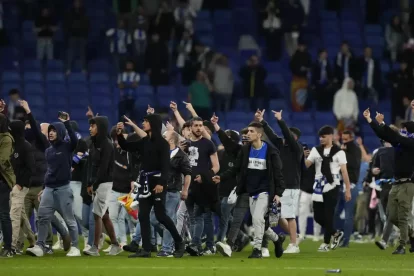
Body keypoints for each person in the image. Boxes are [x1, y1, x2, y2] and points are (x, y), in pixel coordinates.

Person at [116, 114, 186, 258]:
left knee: (161, 216)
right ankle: (146, 249)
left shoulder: (163, 144)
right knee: (142, 215)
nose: (143, 123)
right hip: (145, 183)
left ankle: (179, 242)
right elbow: (126, 146)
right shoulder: (145, 141)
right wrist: (119, 135)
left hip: (158, 182)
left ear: (153, 123)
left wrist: (161, 183)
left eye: (146, 121)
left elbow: (166, 166)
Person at [213, 122, 285, 259]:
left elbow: (278, 173)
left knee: (257, 219)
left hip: (265, 191)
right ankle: (276, 239)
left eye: (251, 131)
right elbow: (236, 168)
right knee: (260, 223)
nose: (247, 134)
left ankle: (257, 249)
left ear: (259, 134)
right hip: (249, 191)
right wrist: (221, 177)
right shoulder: (245, 150)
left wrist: (278, 193)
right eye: (247, 132)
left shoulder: (270, 151)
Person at [26, 112, 80, 257]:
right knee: (42, 217)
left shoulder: (67, 147)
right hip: (49, 188)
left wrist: (67, 123)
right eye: (49, 131)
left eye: (54, 131)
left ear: (60, 132)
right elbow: (50, 171)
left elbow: (75, 141)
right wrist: (44, 188)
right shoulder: (48, 150)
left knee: (69, 219)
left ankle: (75, 247)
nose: (50, 133)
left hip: (63, 188)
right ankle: (40, 245)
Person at [363, 107, 414, 254]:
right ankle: (411, 233)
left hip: (407, 184)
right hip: (396, 183)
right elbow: (384, 135)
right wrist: (371, 120)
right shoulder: (401, 143)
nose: (401, 130)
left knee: (403, 216)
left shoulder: (411, 143)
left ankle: (402, 246)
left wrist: (384, 123)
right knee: (391, 216)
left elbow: (396, 137)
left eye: (404, 129)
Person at [256, 109, 303, 253]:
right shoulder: (281, 146)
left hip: (291, 186)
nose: (284, 137)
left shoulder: (297, 148)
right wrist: (261, 121)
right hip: (280, 186)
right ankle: (296, 236)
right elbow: (272, 134)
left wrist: (280, 120)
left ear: (294, 138)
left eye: (289, 135)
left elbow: (286, 135)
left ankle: (294, 244)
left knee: (289, 215)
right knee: (277, 215)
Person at [305, 125, 352, 252]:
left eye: (324, 137)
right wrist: (302, 157)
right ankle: (335, 233)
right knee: (318, 217)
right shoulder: (315, 150)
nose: (321, 139)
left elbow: (344, 172)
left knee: (328, 215)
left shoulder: (339, 152)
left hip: (333, 185)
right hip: (318, 186)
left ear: (331, 136)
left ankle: (325, 243)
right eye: (320, 137)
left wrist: (347, 189)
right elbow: (307, 165)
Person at [83, 116, 121, 256]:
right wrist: (89, 183)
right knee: (104, 215)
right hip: (96, 182)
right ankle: (115, 244)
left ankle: (95, 247)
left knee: (97, 214)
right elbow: (90, 166)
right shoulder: (93, 144)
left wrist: (95, 184)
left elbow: (104, 168)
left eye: (93, 126)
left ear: (100, 127)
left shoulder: (107, 144)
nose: (90, 129)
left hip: (104, 182)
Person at [151, 130, 192, 257]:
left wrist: (185, 189)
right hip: (158, 190)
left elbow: (188, 174)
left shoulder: (181, 155)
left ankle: (167, 248)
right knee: (153, 219)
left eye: (164, 136)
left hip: (172, 191)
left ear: (171, 140)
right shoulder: (159, 154)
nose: (162, 138)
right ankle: (176, 239)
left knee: (168, 217)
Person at [184, 117, 220, 256]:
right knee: (192, 218)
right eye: (196, 126)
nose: (199, 128)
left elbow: (216, 167)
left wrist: (204, 177)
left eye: (201, 126)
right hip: (187, 185)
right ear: (191, 128)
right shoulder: (184, 144)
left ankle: (195, 244)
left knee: (199, 216)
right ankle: (197, 246)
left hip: (202, 186)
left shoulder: (208, 144)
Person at [9, 119, 36, 253]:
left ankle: (12, 246)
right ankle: (32, 239)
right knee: (21, 214)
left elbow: (31, 167)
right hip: (13, 184)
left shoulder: (25, 146)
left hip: (20, 185)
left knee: (13, 214)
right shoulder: (13, 145)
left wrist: (21, 183)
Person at [333, 130, 361, 247]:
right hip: (339, 183)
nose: (344, 142)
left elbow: (353, 163)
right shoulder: (343, 149)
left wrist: (343, 151)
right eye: (343, 139)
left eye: (346, 139)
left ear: (351, 138)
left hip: (351, 185)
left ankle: (346, 241)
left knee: (348, 215)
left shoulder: (354, 149)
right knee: (334, 213)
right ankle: (339, 234)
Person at [0, 113, 16, 258]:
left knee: (4, 215)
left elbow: (3, 160)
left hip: (3, 181)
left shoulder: (6, 139)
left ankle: (8, 247)